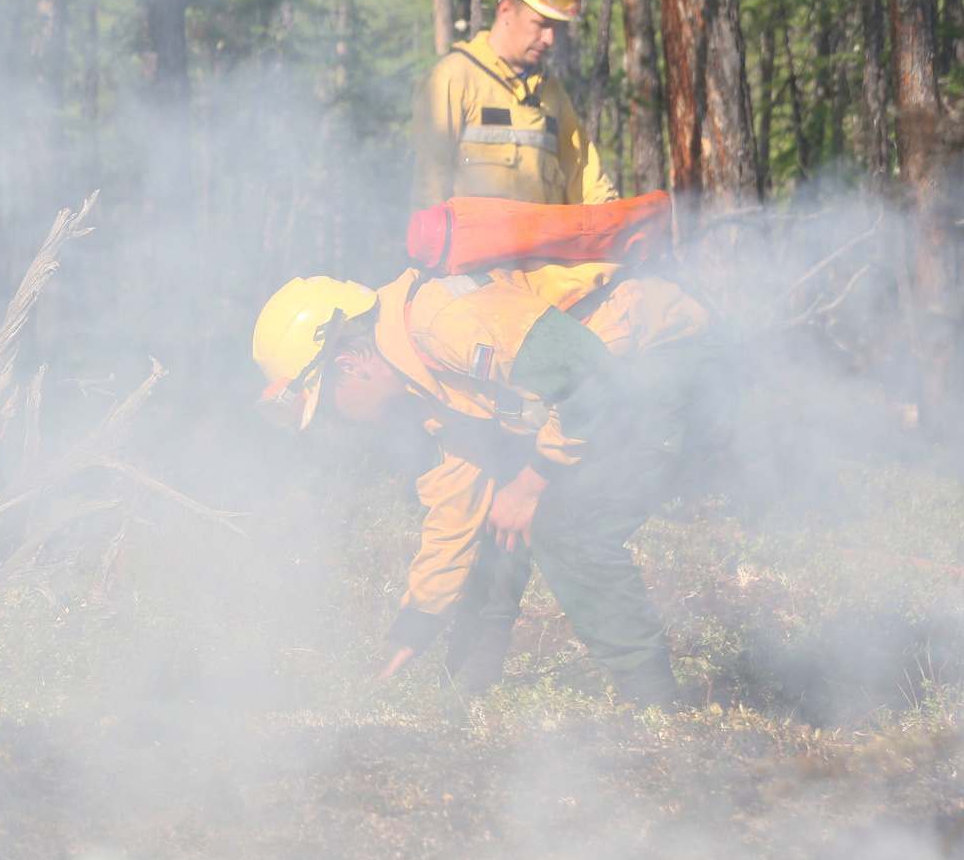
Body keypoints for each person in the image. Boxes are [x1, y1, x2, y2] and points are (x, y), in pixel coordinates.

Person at [253, 260, 726, 708]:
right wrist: (411, 628)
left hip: (668, 361)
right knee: (495, 523)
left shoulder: (444, 324)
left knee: (566, 527)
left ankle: (658, 707)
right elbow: (457, 508)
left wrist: (533, 481)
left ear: (349, 363)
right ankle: (466, 691)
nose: (342, 424)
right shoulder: (418, 383)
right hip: (606, 393)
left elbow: (590, 378)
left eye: (331, 408)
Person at [413, 0, 614, 210]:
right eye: (541, 25)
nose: (550, 39)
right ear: (506, 10)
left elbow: (588, 184)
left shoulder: (551, 93)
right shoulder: (453, 80)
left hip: (544, 253)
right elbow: (428, 191)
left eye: (556, 28)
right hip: (473, 252)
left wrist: (624, 224)